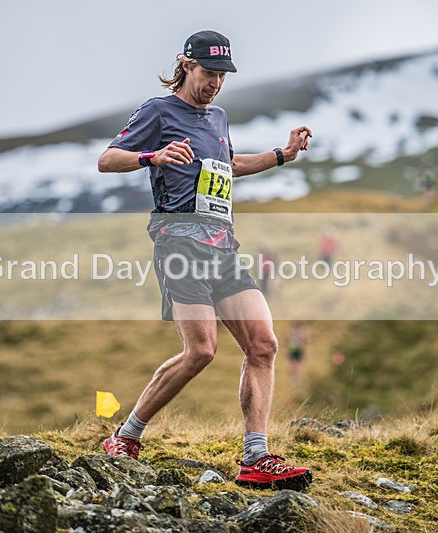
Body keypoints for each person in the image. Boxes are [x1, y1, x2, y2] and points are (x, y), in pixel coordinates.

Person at [97, 30, 313, 491]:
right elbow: (107, 160)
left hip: (223, 246)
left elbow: (228, 166)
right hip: (178, 245)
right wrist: (152, 156)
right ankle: (126, 436)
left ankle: (256, 456)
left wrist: (282, 155)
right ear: (185, 65)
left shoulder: (218, 117)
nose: (215, 83)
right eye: (208, 73)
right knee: (201, 351)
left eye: (221, 75)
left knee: (264, 345)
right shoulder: (158, 111)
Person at [287, 322, 307, 388]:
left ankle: (297, 381)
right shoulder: (291, 334)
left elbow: (305, 341)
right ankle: (294, 379)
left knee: (298, 367)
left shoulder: (300, 335)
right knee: (291, 367)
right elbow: (287, 341)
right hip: (292, 352)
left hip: (298, 352)